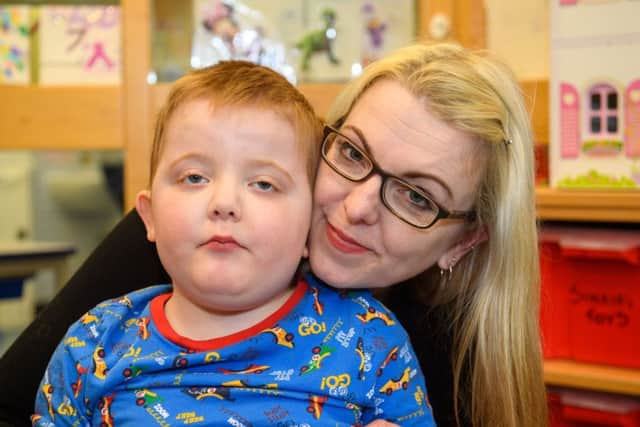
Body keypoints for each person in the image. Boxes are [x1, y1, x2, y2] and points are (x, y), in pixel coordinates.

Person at [0, 42, 548, 427]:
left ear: (461, 242)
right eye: (353, 153)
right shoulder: (179, 249)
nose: (356, 207)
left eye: (416, 196)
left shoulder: (404, 355)